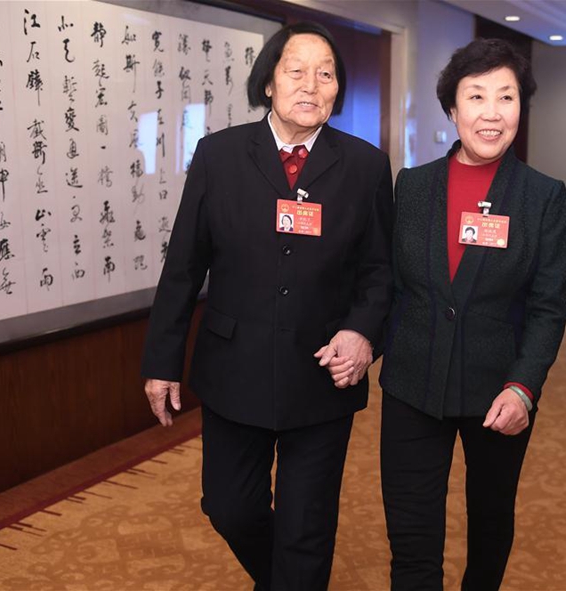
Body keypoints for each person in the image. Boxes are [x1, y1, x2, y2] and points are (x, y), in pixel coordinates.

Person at [141, 21, 393, 590]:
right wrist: (161, 360)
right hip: (235, 370)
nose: (311, 85)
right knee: (229, 508)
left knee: (307, 529)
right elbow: (183, 266)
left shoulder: (365, 167)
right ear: (268, 84)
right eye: (295, 70)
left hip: (322, 375)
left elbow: (380, 272)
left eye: (325, 74)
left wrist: (363, 333)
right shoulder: (219, 155)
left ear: (337, 89)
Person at [379, 39, 566, 591]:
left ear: (520, 108)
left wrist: (524, 388)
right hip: (413, 386)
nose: (492, 112)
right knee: (412, 541)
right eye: (477, 96)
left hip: (498, 393)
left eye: (506, 97)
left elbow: (547, 309)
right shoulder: (412, 187)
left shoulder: (542, 197)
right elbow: (391, 286)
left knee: (489, 527)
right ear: (452, 109)